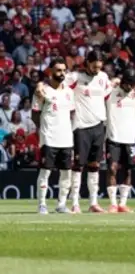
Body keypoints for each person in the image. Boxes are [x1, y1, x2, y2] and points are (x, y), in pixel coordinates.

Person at [68, 49, 112, 213]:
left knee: (95, 165)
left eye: (99, 67)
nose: (97, 70)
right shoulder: (75, 78)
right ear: (87, 62)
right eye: (94, 66)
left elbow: (107, 95)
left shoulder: (103, 78)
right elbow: (59, 86)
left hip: (98, 126)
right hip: (81, 126)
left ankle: (93, 202)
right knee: (78, 165)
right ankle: (75, 203)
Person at [33, 57, 74, 214]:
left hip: (66, 138)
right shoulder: (42, 91)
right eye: (58, 70)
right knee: (46, 171)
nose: (62, 73)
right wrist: (43, 128)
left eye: (64, 70)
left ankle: (61, 204)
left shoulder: (69, 92)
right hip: (49, 136)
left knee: (66, 172)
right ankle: (42, 204)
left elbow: (70, 113)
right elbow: (35, 114)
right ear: (50, 71)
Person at [104, 67, 135, 213]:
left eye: (133, 84)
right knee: (112, 168)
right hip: (113, 137)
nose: (130, 87)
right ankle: (113, 204)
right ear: (123, 82)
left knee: (128, 170)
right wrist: (112, 82)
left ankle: (123, 203)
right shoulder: (110, 92)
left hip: (130, 138)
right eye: (128, 84)